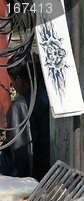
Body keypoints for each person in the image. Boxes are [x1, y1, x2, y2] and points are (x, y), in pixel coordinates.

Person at [0, 52, 50, 181]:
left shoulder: (20, 105)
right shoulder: (51, 95)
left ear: (19, 80)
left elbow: (23, 155)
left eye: (12, 81)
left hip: (36, 175)